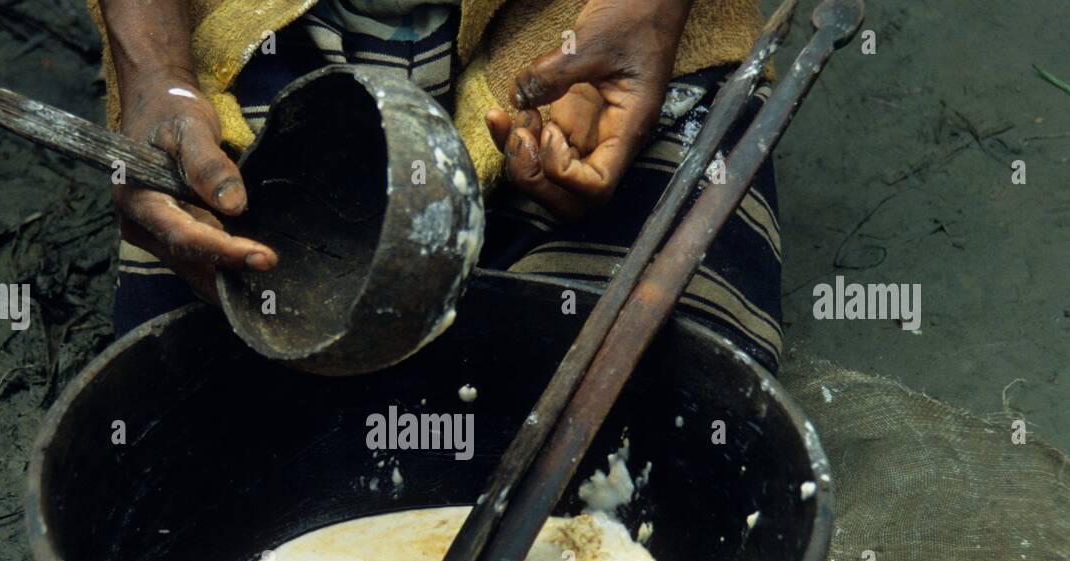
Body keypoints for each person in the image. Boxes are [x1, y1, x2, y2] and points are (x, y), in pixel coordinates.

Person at [90, 0, 784, 371]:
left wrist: (650, 14)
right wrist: (159, 77)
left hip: (570, 22)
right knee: (197, 433)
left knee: (666, 395)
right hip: (266, 21)